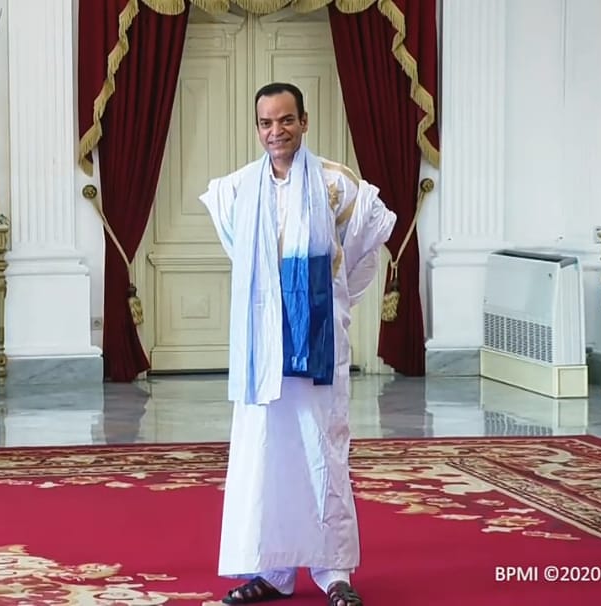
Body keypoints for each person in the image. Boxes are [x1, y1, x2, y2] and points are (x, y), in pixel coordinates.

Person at [198, 82, 396, 606]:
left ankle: (335, 573)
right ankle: (274, 570)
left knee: (322, 448)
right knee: (266, 451)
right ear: (256, 128)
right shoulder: (237, 189)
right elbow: (242, 257)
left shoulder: (336, 184)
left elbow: (364, 253)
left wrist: (331, 303)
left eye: (286, 120)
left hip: (319, 338)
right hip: (263, 342)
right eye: (266, 122)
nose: (276, 131)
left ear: (304, 122)